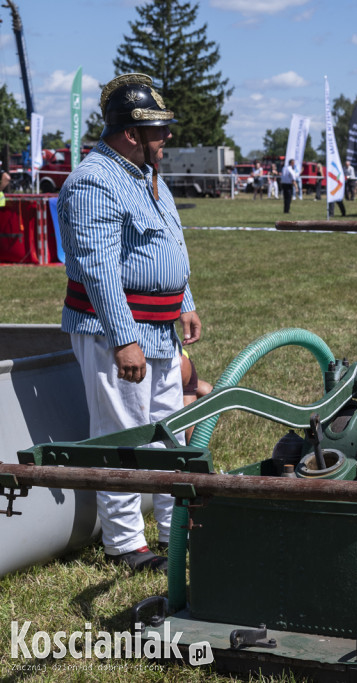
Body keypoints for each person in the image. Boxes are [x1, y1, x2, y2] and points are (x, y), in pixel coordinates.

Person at [57, 72, 200, 573]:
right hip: (115, 329)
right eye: (158, 128)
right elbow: (99, 270)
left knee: (168, 431)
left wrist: (185, 300)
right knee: (122, 433)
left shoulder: (144, 172)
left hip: (158, 328)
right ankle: (123, 544)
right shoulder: (94, 180)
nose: (167, 136)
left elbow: (167, 244)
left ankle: (174, 529)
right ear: (129, 133)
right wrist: (124, 340)